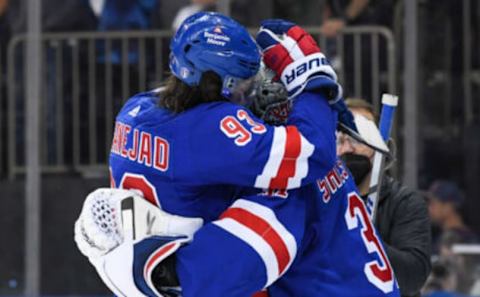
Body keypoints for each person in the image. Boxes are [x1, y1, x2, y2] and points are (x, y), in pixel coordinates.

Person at [74, 13, 399, 296]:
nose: (251, 96)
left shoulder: (136, 109)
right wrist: (312, 79)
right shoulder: (241, 151)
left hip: (158, 257)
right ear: (214, 83)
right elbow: (313, 153)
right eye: (245, 84)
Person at [336, 98, 432, 297]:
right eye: (339, 138)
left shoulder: (404, 203)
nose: (346, 148)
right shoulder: (315, 202)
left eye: (357, 137)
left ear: (380, 146)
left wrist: (360, 239)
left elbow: (413, 277)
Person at [427, 180, 478, 256]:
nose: (429, 209)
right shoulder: (437, 238)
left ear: (448, 207)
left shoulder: (469, 242)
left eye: (433, 204)